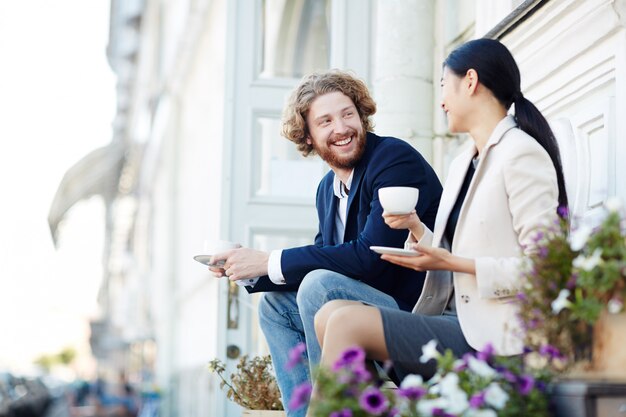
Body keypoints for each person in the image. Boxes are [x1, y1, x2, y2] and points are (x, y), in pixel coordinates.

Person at [312, 39, 569, 384]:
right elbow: (459, 252)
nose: (442, 100)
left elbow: (546, 271)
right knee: (329, 313)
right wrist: (418, 229)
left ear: (471, 82)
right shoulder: (465, 162)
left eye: (445, 85)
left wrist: (450, 263)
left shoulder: (520, 154)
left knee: (345, 322)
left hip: (496, 336)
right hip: (453, 319)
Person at [209, 70, 442, 416]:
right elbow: (327, 259)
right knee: (274, 305)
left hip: (417, 317)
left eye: (348, 114)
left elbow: (368, 258)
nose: (342, 128)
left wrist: (270, 259)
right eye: (326, 121)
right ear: (308, 136)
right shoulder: (326, 191)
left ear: (361, 116)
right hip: (368, 310)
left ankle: (332, 410)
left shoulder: (394, 159)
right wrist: (244, 267)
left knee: (320, 285)